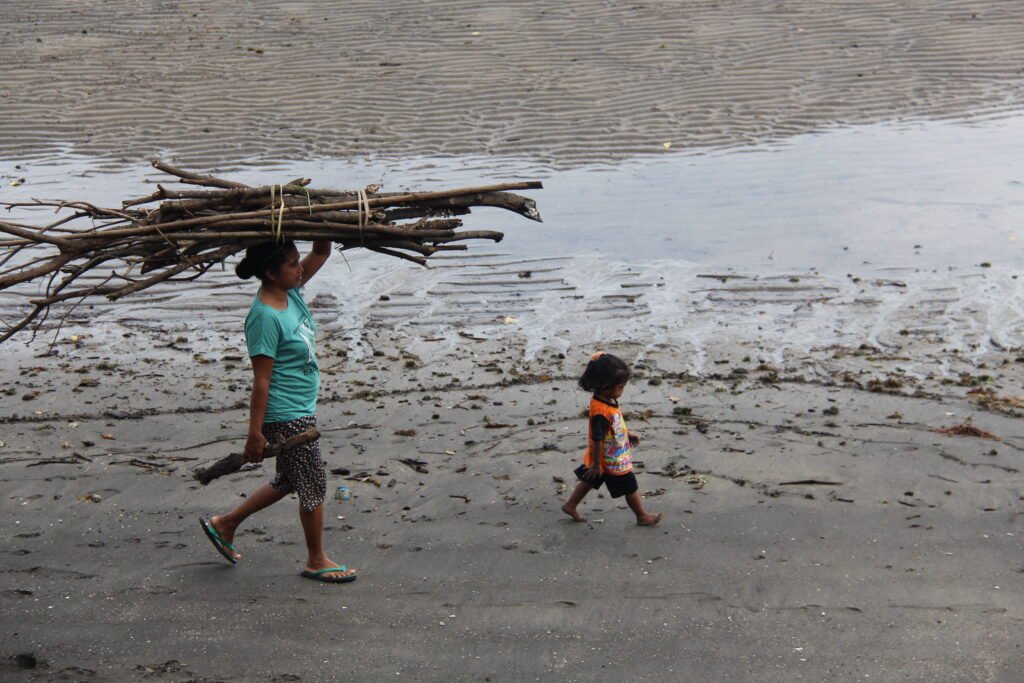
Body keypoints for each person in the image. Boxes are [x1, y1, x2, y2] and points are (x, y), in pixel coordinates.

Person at [199, 239, 357, 583]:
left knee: (289, 478)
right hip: (285, 414)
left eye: (297, 263)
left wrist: (320, 222)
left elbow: (321, 252)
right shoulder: (265, 317)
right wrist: (254, 433)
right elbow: (261, 382)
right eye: (291, 265)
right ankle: (317, 560)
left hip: (300, 407)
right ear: (271, 273)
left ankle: (225, 524)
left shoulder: (292, 291)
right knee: (313, 482)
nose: (299, 268)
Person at [561, 352, 663, 526]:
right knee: (629, 485)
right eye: (620, 387)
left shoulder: (607, 399)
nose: (622, 391)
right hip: (610, 458)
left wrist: (626, 433)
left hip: (607, 454)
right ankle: (642, 516)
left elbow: (614, 423)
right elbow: (597, 438)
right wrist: (596, 463)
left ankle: (570, 505)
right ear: (605, 386)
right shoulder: (601, 411)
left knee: (590, 479)